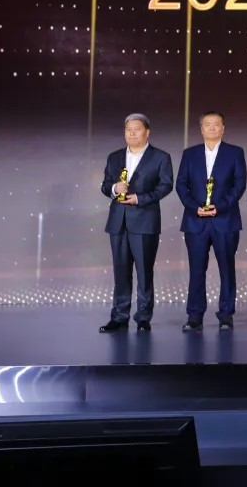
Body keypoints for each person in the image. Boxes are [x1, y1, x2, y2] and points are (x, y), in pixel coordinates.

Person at [99, 113, 174, 333]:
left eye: (137, 129)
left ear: (147, 132)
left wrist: (140, 198)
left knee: (144, 272)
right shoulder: (114, 157)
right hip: (118, 222)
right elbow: (105, 185)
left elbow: (166, 185)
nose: (132, 133)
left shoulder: (160, 157)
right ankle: (119, 317)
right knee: (120, 272)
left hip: (144, 221)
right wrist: (114, 188)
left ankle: (143, 318)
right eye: (128, 129)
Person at [175, 111, 247, 332]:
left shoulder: (235, 152)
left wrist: (221, 206)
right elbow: (181, 185)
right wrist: (194, 207)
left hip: (225, 219)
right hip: (195, 220)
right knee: (196, 270)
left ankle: (226, 314)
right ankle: (194, 316)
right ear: (201, 128)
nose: (212, 128)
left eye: (217, 124)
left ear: (223, 128)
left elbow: (239, 184)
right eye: (208, 124)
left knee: (227, 269)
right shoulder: (190, 154)